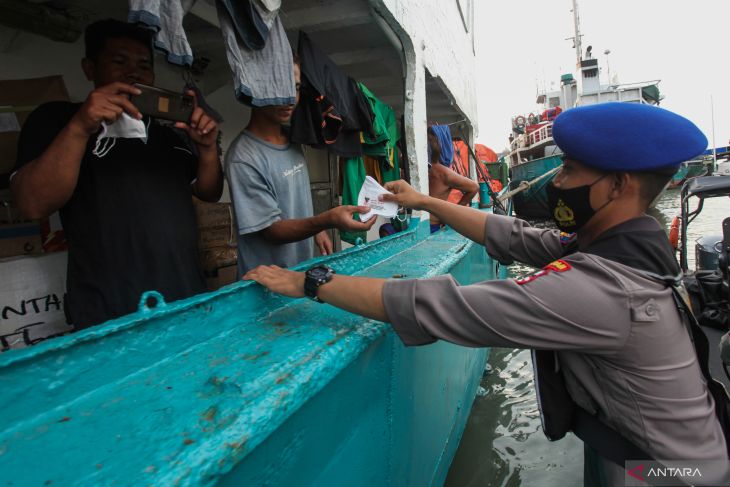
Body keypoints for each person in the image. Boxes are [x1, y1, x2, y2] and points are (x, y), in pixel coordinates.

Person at [243, 103, 729, 486]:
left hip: (673, 475)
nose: (557, 182)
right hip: (666, 452)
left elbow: (446, 306)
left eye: (571, 171)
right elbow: (518, 237)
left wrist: (309, 283)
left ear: (618, 185)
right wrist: (424, 201)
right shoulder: (625, 244)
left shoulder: (604, 290)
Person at [11, 19, 223, 329]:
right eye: (119, 61)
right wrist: (81, 125)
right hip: (107, 312)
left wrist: (206, 150)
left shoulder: (169, 135)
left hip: (184, 298)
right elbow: (32, 205)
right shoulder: (58, 120)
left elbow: (208, 191)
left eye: (143, 65)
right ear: (90, 68)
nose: (133, 73)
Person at [225, 58, 376, 276]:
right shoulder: (244, 156)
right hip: (266, 283)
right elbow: (271, 230)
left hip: (299, 273)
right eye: (280, 85)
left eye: (295, 88)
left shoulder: (292, 139)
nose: (289, 98)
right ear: (256, 85)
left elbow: (295, 199)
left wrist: (317, 230)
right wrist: (326, 220)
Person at [427, 127, 478, 233]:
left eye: (428, 141)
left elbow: (474, 187)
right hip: (427, 225)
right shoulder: (434, 169)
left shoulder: (442, 172)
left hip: (431, 227)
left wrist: (453, 213)